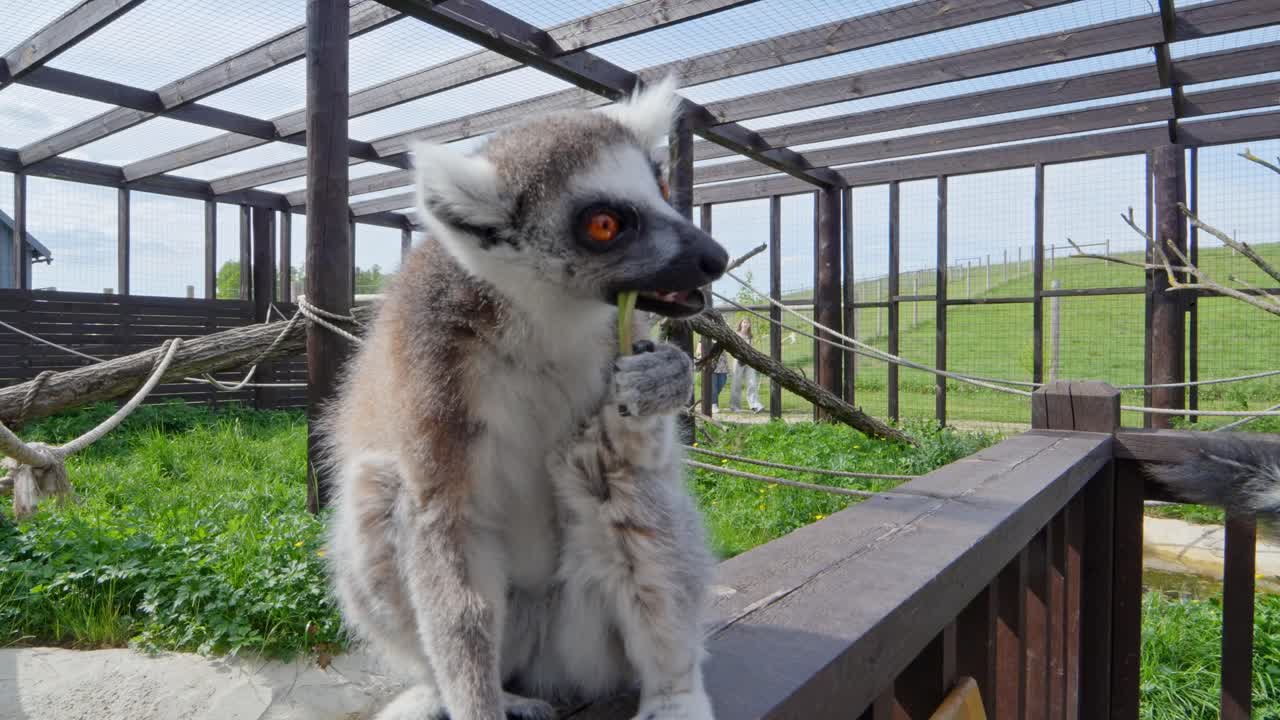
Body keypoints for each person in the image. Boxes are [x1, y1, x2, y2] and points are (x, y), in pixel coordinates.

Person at [729, 317, 764, 413]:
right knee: (736, 384)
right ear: (740, 323)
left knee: (752, 383)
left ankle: (755, 405)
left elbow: (752, 349)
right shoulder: (735, 335)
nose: (745, 324)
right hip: (738, 361)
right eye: (744, 322)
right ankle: (735, 406)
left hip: (749, 362)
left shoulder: (750, 336)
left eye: (747, 323)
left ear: (750, 325)